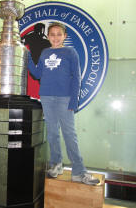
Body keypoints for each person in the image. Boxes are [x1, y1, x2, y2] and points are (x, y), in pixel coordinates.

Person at [27, 22, 99, 185]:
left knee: (69, 135)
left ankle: (79, 172)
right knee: (52, 133)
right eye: (52, 34)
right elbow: (37, 73)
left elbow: (77, 78)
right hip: (46, 97)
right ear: (48, 36)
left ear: (65, 36)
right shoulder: (45, 53)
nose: (56, 37)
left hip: (65, 98)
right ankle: (56, 164)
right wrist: (28, 57)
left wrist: (74, 100)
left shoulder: (70, 52)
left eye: (59, 34)